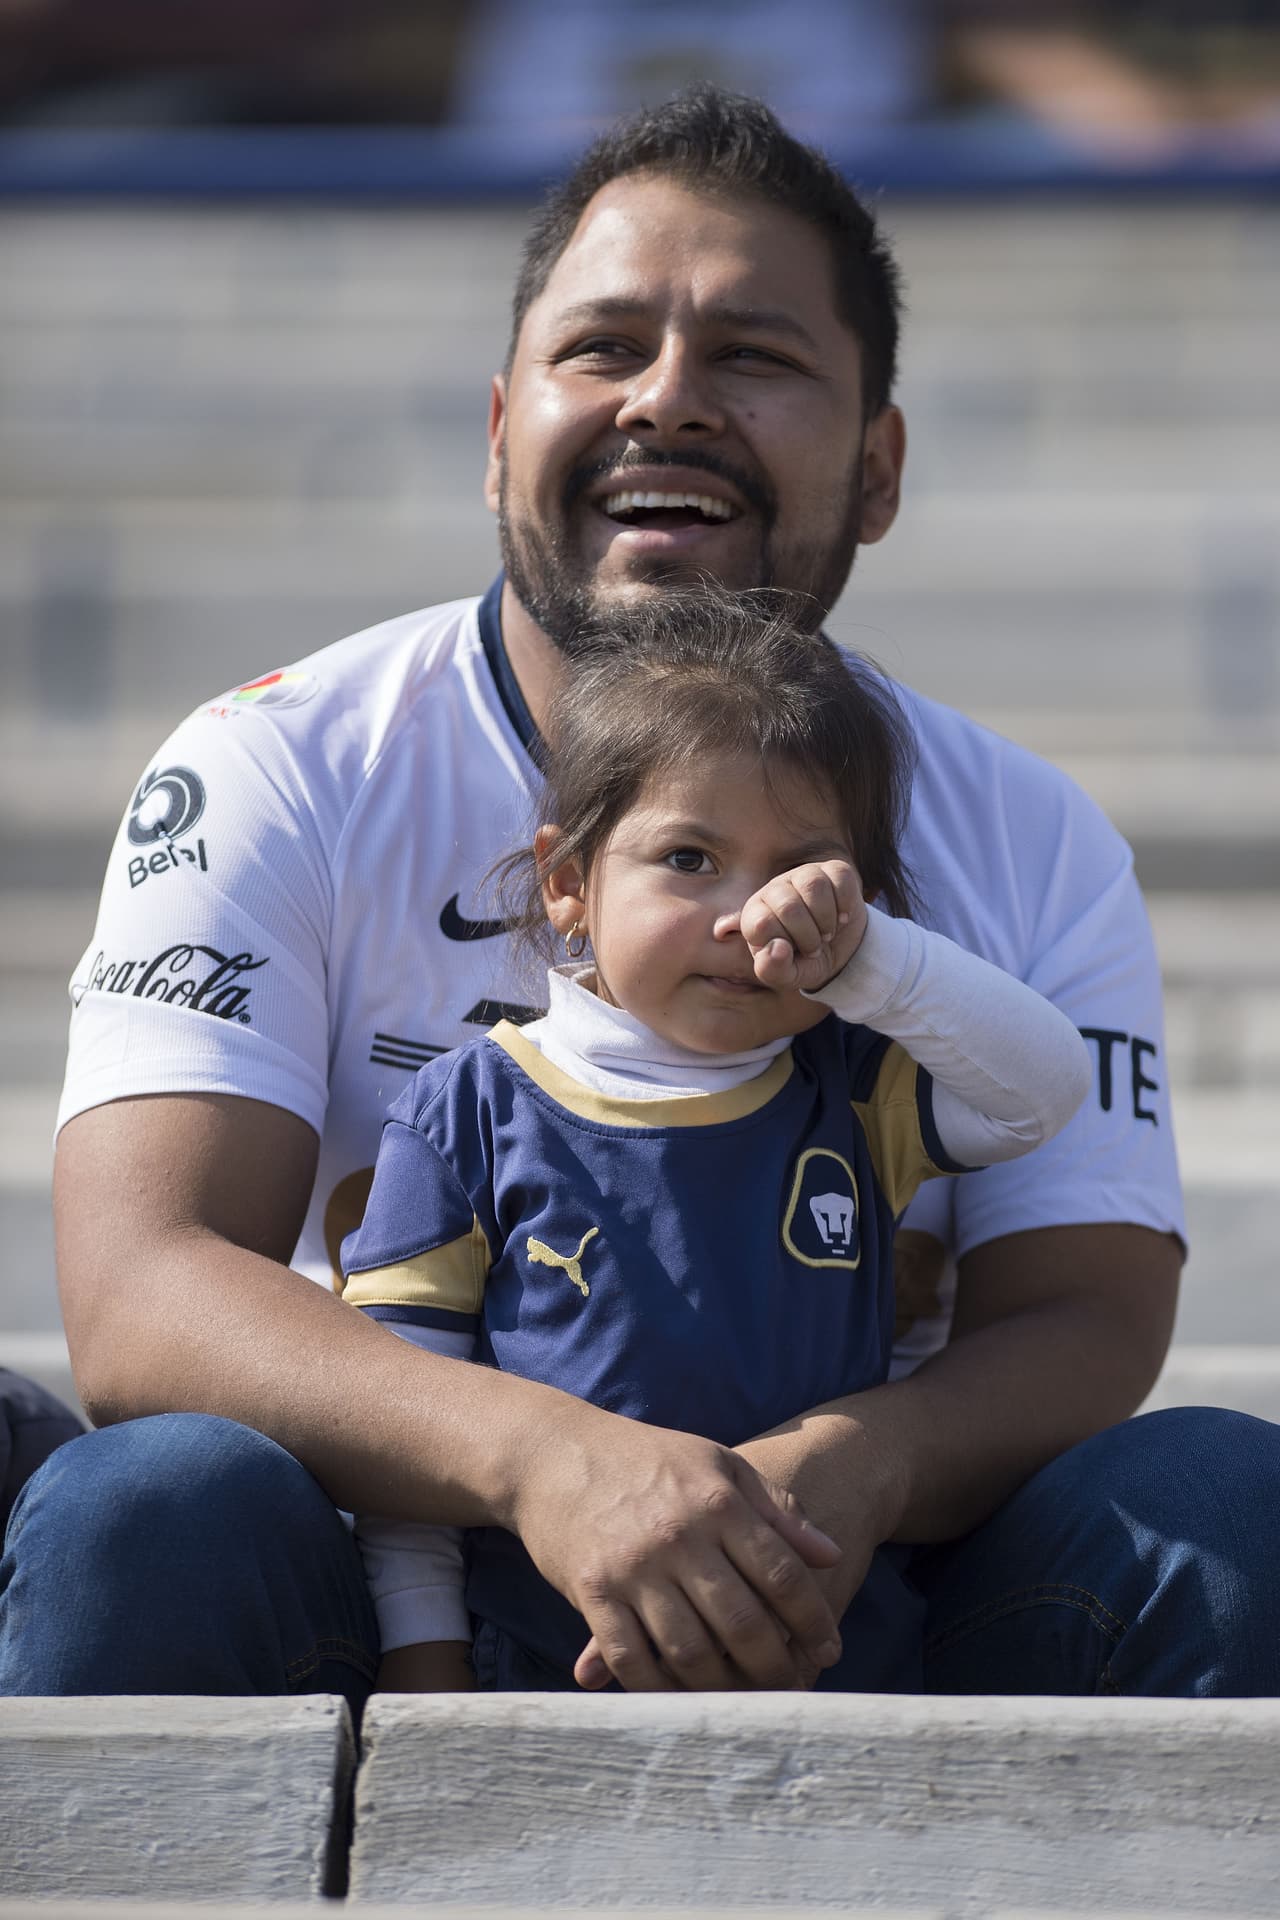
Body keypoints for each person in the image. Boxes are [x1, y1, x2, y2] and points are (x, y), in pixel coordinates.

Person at [2, 85, 1273, 1704]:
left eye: (756, 354)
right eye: (604, 346)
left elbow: (1091, 1312)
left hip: (856, 1590)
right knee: (144, 1507)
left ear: (878, 471)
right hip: (408, 1595)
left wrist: (843, 1470)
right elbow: (141, 1294)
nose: (668, 399)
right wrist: (552, 1466)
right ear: (495, 436)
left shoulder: (1030, 834)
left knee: (1229, 1505)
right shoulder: (284, 761)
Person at [342, 589, 1092, 1695]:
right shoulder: (468, 1112)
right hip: (545, 1676)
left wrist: (867, 960)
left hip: (832, 1665)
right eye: (688, 859)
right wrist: (424, 1665)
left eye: (797, 875)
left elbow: (1045, 1087)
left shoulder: (850, 1086)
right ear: (566, 883)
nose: (749, 919)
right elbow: (402, 1431)